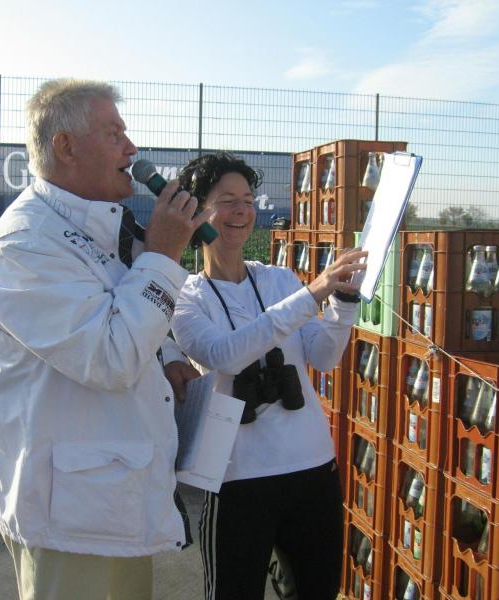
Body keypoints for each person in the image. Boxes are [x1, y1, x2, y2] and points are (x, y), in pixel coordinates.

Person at [0, 78, 211, 600]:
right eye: (114, 133)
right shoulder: (23, 245)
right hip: (68, 518)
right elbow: (109, 356)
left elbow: (121, 301)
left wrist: (168, 354)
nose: (132, 149)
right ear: (66, 146)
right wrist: (163, 254)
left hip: (115, 500)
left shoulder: (96, 225)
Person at [170, 152, 367, 600]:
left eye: (247, 200)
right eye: (226, 201)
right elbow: (224, 355)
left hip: (312, 468)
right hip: (236, 478)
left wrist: (342, 304)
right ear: (197, 211)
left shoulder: (279, 280)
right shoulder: (185, 296)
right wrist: (312, 294)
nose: (241, 211)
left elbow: (324, 356)